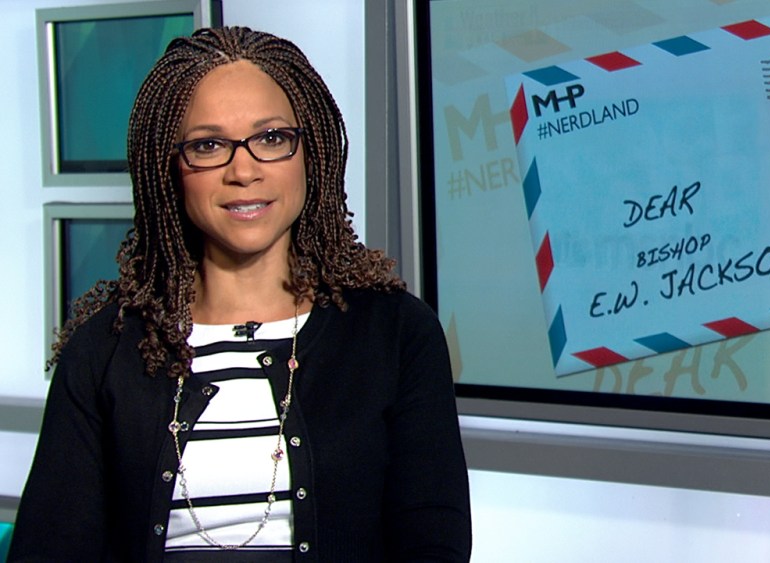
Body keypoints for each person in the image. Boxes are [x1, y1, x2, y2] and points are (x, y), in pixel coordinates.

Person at [11, 27, 472, 561]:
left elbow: (433, 543)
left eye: (272, 138)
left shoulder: (394, 333)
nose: (244, 171)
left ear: (311, 152)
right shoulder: (104, 351)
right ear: (168, 168)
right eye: (208, 146)